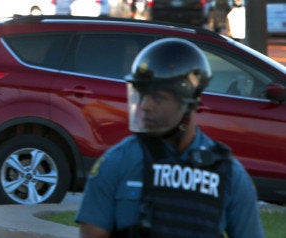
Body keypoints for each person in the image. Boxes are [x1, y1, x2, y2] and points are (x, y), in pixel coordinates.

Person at [75, 38, 264, 238]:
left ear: (189, 102)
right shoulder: (115, 163)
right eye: (143, 95)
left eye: (157, 97)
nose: (145, 106)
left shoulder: (228, 173)